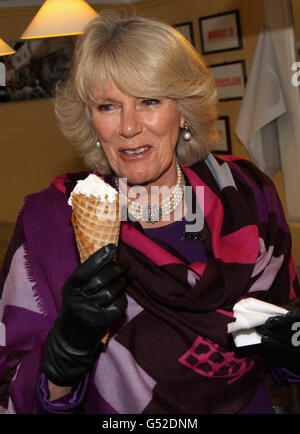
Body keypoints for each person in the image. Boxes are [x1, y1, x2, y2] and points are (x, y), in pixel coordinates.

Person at [0, 11, 300, 415]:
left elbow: (283, 335)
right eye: (108, 106)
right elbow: (10, 388)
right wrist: (62, 358)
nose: (127, 126)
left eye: (149, 101)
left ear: (183, 110)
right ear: (91, 120)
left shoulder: (247, 194)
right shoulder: (51, 220)